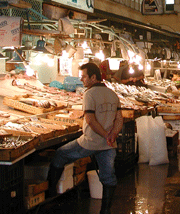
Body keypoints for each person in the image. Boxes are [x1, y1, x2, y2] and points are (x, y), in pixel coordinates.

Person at [47, 62, 123, 214]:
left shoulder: (89, 94)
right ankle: (105, 211)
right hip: (109, 144)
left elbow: (90, 119)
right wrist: (112, 135)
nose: (82, 80)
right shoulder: (112, 94)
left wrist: (104, 135)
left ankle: (50, 196)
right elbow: (119, 119)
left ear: (93, 77)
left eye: (84, 77)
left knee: (60, 154)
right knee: (108, 178)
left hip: (90, 142)